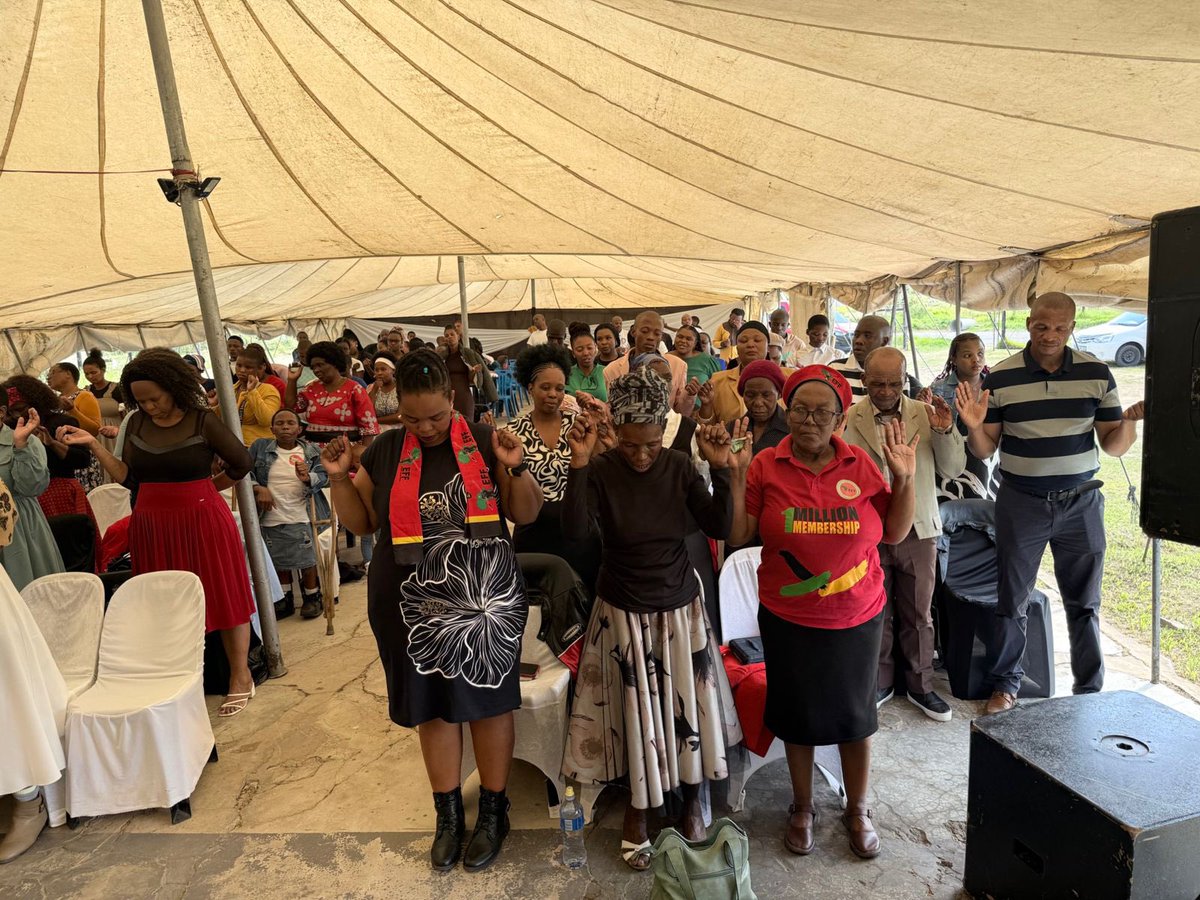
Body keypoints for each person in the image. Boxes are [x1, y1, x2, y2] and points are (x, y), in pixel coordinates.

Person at [322, 349, 543, 872]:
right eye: (412, 417)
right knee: (431, 708)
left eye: (436, 417)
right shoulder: (384, 449)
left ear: (453, 399)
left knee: (489, 703)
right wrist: (336, 477)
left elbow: (525, 512)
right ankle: (448, 816)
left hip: (483, 598)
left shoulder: (488, 441)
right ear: (398, 407)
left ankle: (493, 811)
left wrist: (515, 468)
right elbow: (362, 520)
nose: (424, 427)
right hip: (408, 601)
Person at [727, 364, 916, 860]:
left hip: (856, 613)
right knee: (799, 715)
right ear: (788, 411)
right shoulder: (766, 464)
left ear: (839, 418)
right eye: (801, 410)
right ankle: (804, 806)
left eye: (823, 412)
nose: (810, 421)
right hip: (788, 617)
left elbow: (894, 533)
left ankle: (857, 808)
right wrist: (734, 472)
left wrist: (904, 478)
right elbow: (739, 534)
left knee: (856, 716)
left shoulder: (861, 466)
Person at [560, 368, 742, 871]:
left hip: (679, 611)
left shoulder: (681, 467)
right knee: (637, 718)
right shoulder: (600, 471)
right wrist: (578, 463)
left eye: (651, 445)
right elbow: (575, 533)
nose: (642, 456)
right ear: (615, 429)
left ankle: (689, 805)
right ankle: (640, 810)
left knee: (684, 715)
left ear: (663, 429)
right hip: (621, 610)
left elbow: (719, 525)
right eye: (632, 445)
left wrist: (721, 468)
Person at [956, 293, 1144, 715]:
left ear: (1072, 328)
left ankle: (1090, 689)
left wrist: (1129, 423)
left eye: (1060, 328)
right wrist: (972, 428)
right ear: (1028, 325)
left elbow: (1113, 446)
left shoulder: (1097, 373)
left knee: (1085, 602)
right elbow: (986, 450)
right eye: (1042, 326)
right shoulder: (1001, 378)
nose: (1050, 335)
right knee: (1012, 599)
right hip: (1022, 502)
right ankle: (1006, 685)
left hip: (1081, 504)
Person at [57, 349, 258, 717]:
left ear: (174, 388)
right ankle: (181, 679)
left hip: (202, 519)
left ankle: (240, 676)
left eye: (155, 398)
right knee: (164, 602)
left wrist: (207, 489)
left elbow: (242, 462)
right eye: (141, 400)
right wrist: (95, 446)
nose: (149, 406)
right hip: (151, 521)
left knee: (223, 594)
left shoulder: (201, 420)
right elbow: (129, 478)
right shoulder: (134, 424)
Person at [842, 348, 965, 721]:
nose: (885, 391)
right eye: (877, 383)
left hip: (918, 527)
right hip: (868, 530)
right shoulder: (849, 416)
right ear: (864, 381)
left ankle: (920, 686)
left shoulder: (925, 414)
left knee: (919, 613)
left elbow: (954, 467)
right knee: (874, 610)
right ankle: (880, 682)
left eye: (894, 383)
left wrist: (944, 430)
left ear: (905, 378)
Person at [508, 345, 601, 588]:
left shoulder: (579, 426)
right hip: (532, 532)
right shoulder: (513, 433)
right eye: (545, 387)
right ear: (530, 388)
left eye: (559, 388)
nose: (553, 394)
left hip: (577, 528)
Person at [5, 377, 102, 567]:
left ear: (36, 401)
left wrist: (52, 444)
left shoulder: (61, 421)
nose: (16, 415)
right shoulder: (10, 430)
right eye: (10, 411)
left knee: (71, 551)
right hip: (30, 498)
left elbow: (82, 460)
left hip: (61, 492)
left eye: (20, 408)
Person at [249, 408, 328, 620]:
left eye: (290, 423)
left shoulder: (311, 451)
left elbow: (325, 476)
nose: (285, 427)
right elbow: (244, 470)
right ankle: (284, 597)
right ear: (272, 428)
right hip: (269, 515)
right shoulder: (260, 447)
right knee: (277, 558)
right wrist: (259, 488)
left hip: (301, 511)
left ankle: (312, 596)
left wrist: (307, 477)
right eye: (280, 423)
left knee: (305, 556)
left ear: (300, 429)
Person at [0, 398, 64, 589]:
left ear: (1, 411)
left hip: (19, 531)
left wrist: (20, 446)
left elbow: (34, 487)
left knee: (24, 595)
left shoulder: (25, 440)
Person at [925, 333, 996, 501]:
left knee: (984, 504)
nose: (976, 360)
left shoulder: (994, 386)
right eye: (967, 355)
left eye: (980, 354)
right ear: (954, 359)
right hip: (954, 456)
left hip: (987, 456)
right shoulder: (938, 390)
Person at [287, 341, 379, 451]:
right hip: (313, 453)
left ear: (334, 363)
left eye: (320, 365)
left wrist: (362, 456)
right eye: (313, 367)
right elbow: (291, 405)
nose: (316, 370)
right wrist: (292, 380)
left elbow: (369, 428)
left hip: (345, 452)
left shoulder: (355, 389)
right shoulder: (310, 388)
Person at [695, 321, 788, 424]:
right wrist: (706, 406)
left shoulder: (788, 379)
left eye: (757, 340)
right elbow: (708, 427)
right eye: (743, 341)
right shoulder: (717, 381)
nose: (750, 344)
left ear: (768, 346)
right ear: (737, 348)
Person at [602, 312, 693, 414]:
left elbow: (680, 413)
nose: (651, 337)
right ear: (633, 332)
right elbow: (612, 410)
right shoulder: (611, 370)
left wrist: (690, 396)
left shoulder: (678, 366)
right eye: (645, 331)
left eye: (657, 333)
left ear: (662, 336)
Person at [46, 364, 106, 491]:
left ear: (68, 374)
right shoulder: (55, 402)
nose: (48, 376)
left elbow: (94, 430)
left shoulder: (84, 396)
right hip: (63, 459)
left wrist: (72, 410)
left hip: (80, 458)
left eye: (53, 372)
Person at [832, 316, 921, 399]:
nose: (858, 341)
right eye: (856, 335)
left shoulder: (897, 376)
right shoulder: (834, 370)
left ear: (884, 341)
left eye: (867, 336)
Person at [227, 346, 283, 446]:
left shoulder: (268, 389)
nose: (242, 370)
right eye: (239, 365)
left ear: (261, 368)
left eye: (248, 367)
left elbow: (267, 420)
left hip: (260, 449)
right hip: (235, 446)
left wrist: (252, 391)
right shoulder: (231, 389)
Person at [82, 349, 126, 462]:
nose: (90, 376)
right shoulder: (85, 392)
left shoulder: (116, 389)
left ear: (103, 370)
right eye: (86, 374)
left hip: (114, 434)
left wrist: (120, 429)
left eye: (93, 372)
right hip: (94, 435)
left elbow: (127, 412)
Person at [671, 324, 721, 408]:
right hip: (670, 415)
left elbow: (719, 388)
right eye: (680, 337)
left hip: (700, 414)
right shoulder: (666, 358)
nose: (683, 341)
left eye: (688, 339)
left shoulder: (708, 360)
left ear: (695, 343)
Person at [565, 328, 607, 402]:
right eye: (580, 349)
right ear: (573, 353)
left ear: (596, 349)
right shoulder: (567, 374)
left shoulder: (607, 371)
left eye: (589, 348)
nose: (586, 353)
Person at [367, 352, 401, 430]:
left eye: (383, 369)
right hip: (376, 432)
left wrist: (375, 421)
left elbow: (400, 416)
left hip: (397, 431)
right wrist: (374, 391)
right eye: (376, 370)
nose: (379, 373)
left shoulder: (401, 388)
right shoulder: (371, 388)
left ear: (393, 371)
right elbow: (368, 414)